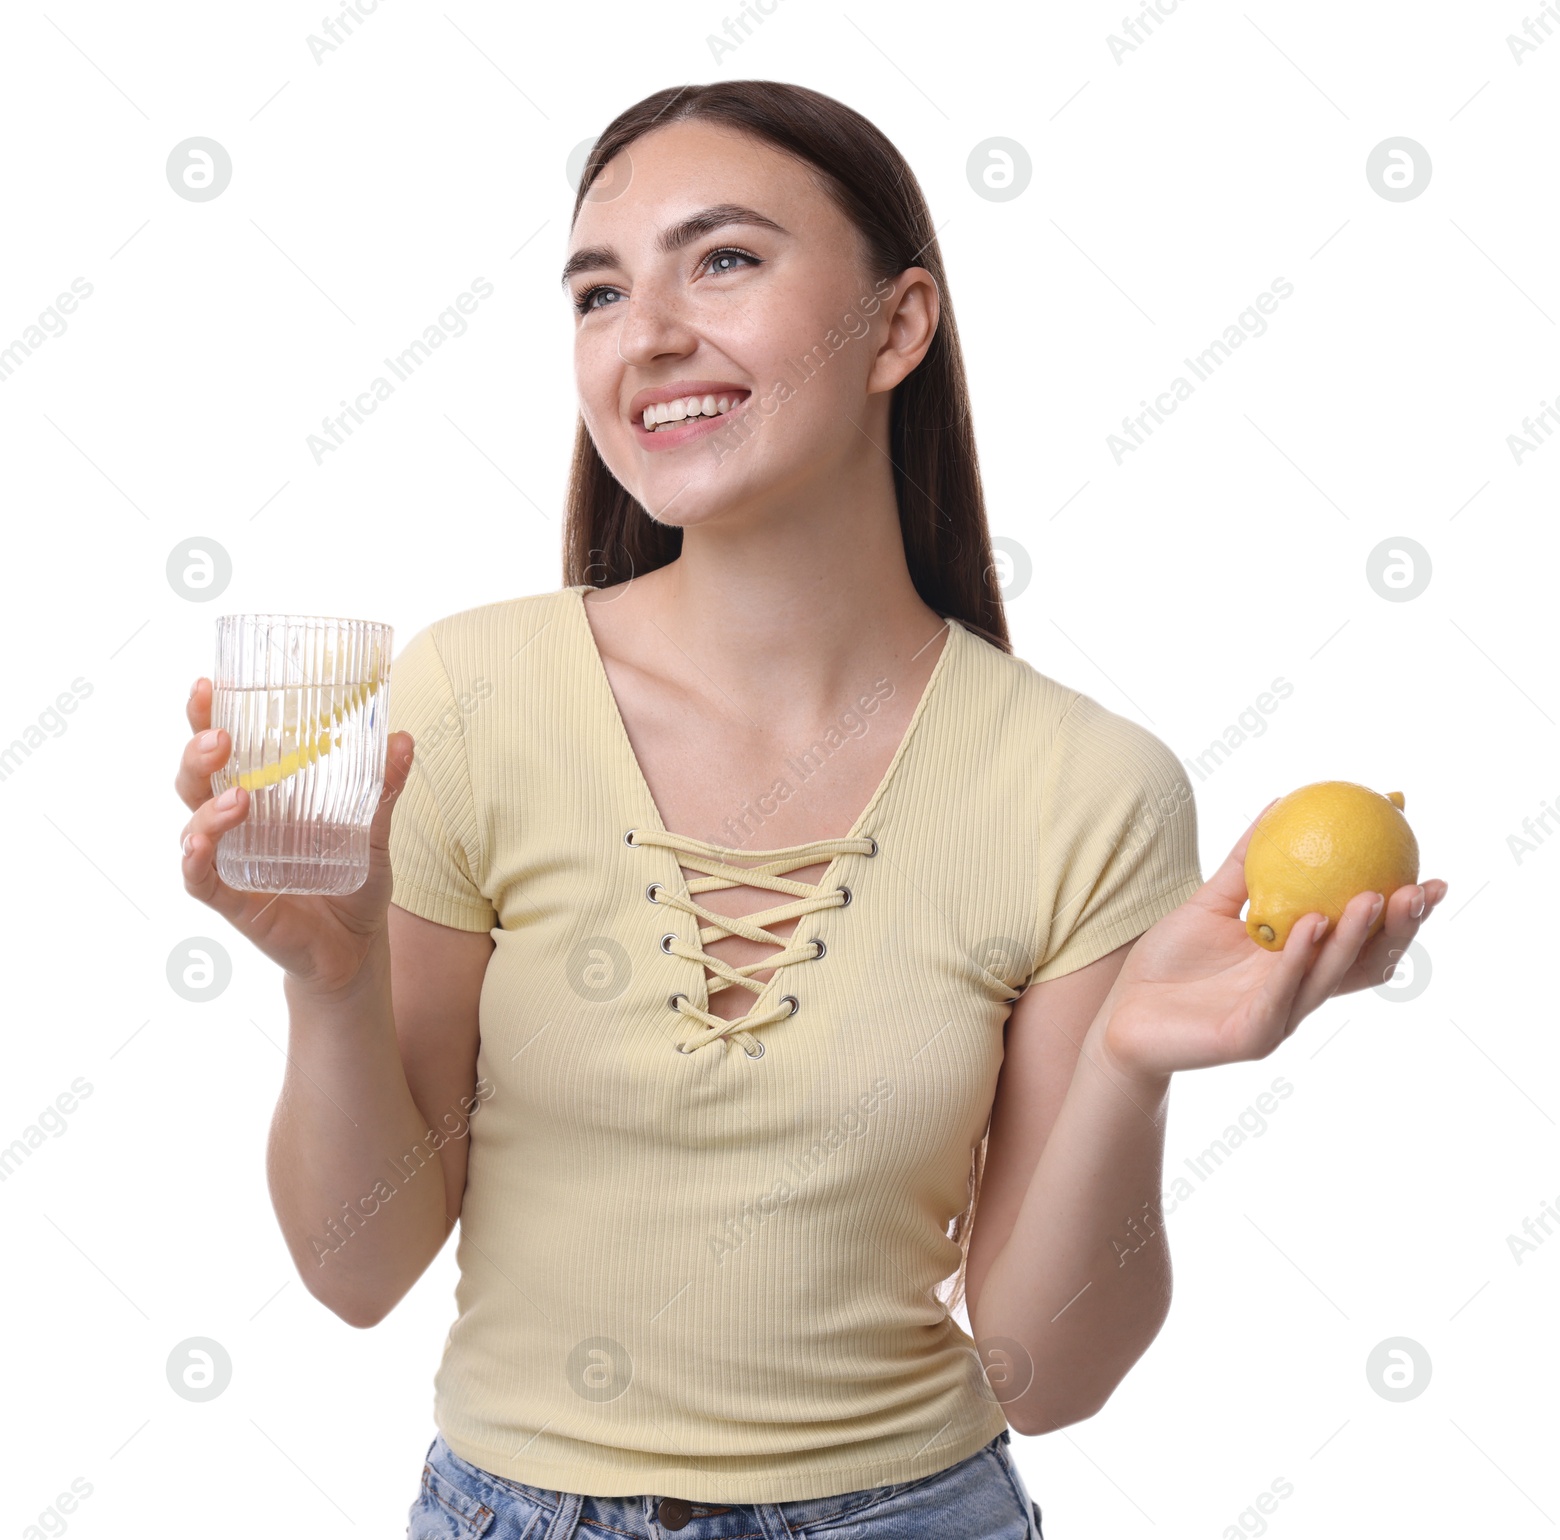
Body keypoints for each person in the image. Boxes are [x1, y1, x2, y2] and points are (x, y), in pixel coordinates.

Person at [174, 80, 1447, 1539]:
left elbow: (1044, 1372)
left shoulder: (1088, 786)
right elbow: (358, 1271)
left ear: (898, 327)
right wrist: (333, 984)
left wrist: (1130, 1068)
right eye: (598, 290)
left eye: (722, 260)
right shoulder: (469, 693)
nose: (645, 333)